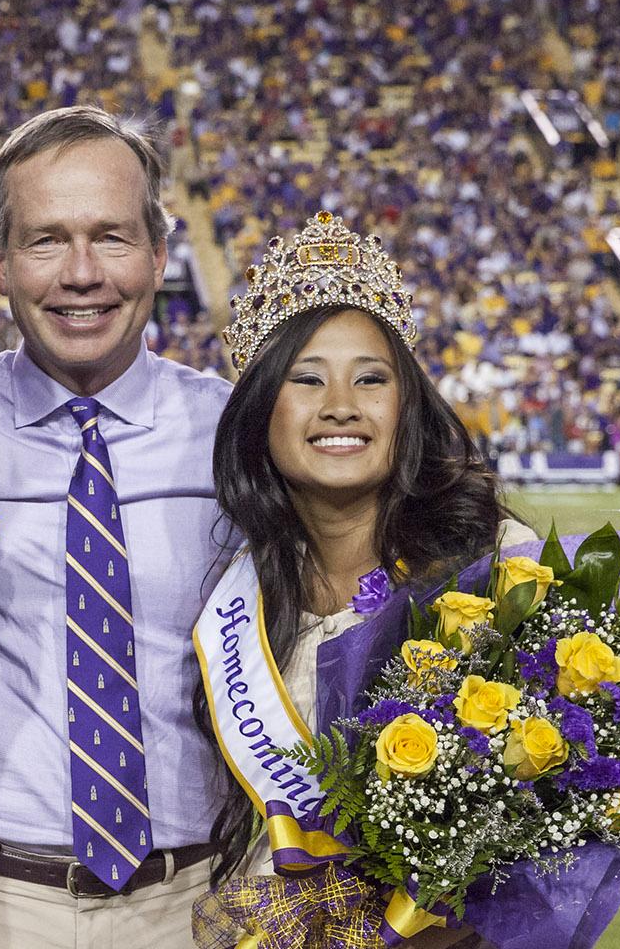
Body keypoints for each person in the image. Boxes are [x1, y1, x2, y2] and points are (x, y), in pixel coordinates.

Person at [0, 106, 234, 948]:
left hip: (197, 904)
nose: (81, 273)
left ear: (159, 254)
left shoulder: (237, 435)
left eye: (112, 237)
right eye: (46, 241)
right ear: (1, 265)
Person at [190, 211, 534, 948]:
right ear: (261, 412)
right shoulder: (241, 593)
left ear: (406, 403)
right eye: (306, 379)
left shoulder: (494, 565)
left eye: (370, 379)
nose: (340, 405)